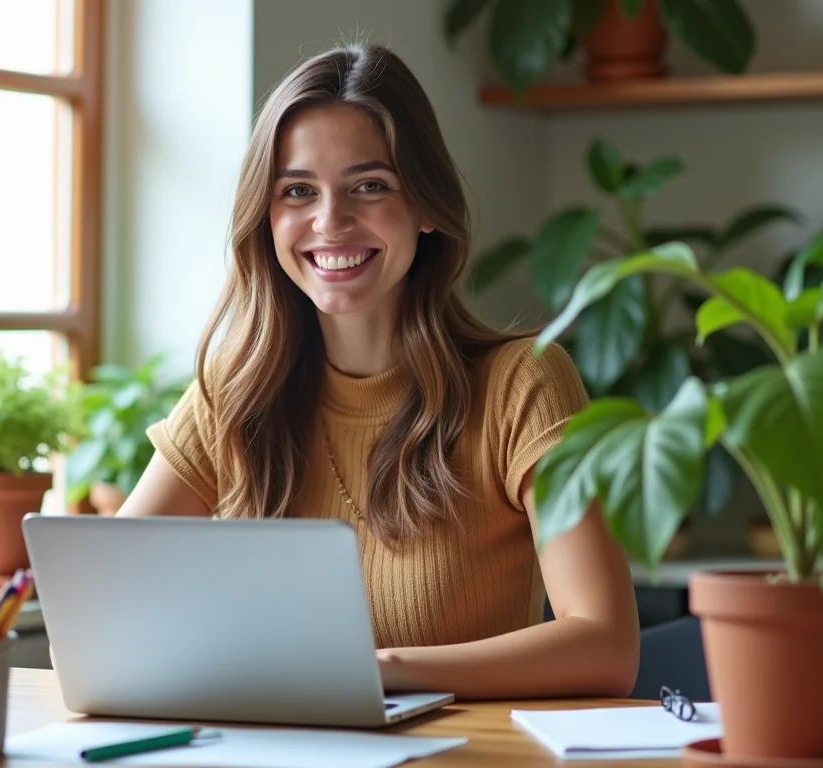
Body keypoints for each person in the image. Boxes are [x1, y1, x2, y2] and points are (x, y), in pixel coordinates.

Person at [116, 42, 639, 701]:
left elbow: (606, 644)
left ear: (426, 208)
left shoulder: (522, 385)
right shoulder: (234, 392)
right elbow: (102, 612)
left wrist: (381, 673)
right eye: (297, 191)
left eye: (369, 186)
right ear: (267, 218)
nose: (330, 221)